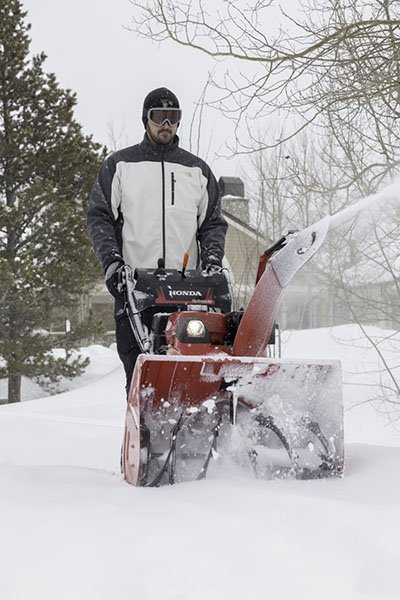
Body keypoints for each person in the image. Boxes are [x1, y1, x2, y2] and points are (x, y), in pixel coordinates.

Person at [87, 87, 228, 394]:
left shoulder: (197, 170)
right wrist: (112, 263)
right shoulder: (120, 166)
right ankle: (144, 437)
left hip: (190, 288)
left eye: (173, 117)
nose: (166, 124)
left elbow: (213, 224)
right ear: (146, 120)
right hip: (136, 288)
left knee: (195, 374)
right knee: (140, 378)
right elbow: (100, 216)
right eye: (159, 116)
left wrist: (214, 263)